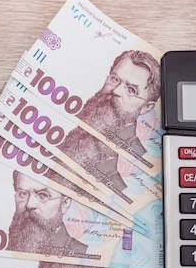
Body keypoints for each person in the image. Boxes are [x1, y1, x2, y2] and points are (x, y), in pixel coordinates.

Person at [58, 50, 161, 193]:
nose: (116, 91)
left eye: (131, 90)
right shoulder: (74, 133)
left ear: (146, 107)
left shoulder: (132, 169)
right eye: (114, 79)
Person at [7, 170, 88, 256]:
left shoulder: (81, 254)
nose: (29, 204)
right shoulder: (9, 246)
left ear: (65, 203)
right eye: (23, 194)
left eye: (43, 195)